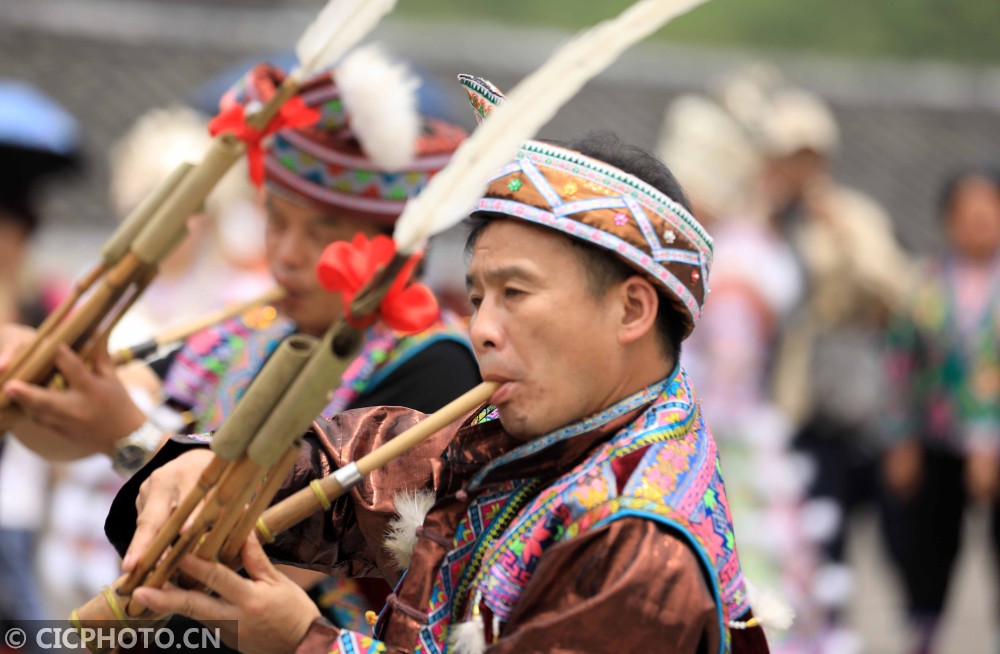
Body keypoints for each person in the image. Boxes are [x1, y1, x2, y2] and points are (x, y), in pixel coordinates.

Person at [106, 120, 776, 653]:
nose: (481, 328)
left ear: (631, 310)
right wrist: (205, 466)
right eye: (479, 295)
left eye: (515, 293)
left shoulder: (640, 543)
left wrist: (305, 644)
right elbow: (355, 470)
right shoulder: (527, 436)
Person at [1, 48, 479, 631]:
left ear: (393, 249)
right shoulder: (247, 332)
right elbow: (70, 430)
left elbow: (274, 552)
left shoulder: (438, 367)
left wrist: (127, 437)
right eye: (276, 221)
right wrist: (39, 381)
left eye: (321, 232)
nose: (287, 255)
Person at [881, 165, 1000, 654]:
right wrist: (901, 438)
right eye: (966, 212)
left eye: (988, 209)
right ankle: (924, 633)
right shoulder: (925, 284)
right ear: (948, 219)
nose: (979, 221)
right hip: (936, 441)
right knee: (929, 547)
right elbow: (902, 364)